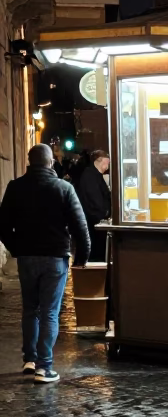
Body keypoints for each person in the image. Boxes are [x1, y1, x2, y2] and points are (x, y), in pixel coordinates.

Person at [0, 143, 90, 383]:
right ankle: (44, 366)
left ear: (30, 162)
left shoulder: (15, 187)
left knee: (30, 309)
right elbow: (80, 227)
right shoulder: (64, 188)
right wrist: (83, 257)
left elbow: (3, 226)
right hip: (55, 258)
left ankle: (29, 359)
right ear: (51, 163)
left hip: (27, 258)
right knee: (50, 311)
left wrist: (16, 248)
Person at [77, 149, 111, 261]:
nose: (108, 165)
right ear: (100, 160)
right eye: (107, 162)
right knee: (96, 252)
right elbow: (95, 199)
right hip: (94, 222)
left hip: (95, 220)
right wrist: (105, 212)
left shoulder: (94, 174)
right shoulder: (90, 175)